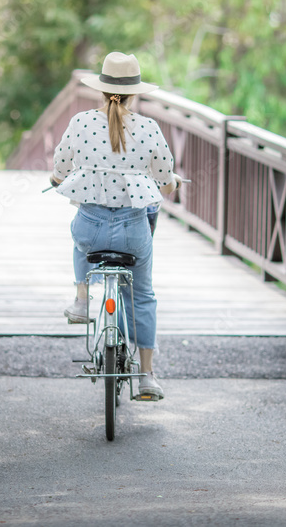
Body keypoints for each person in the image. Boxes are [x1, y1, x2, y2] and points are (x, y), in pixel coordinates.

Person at [49, 51, 181, 399]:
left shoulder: (80, 122)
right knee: (142, 296)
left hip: (91, 229)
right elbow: (165, 179)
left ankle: (81, 299)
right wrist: (171, 184)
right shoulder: (149, 128)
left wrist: (57, 176)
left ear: (101, 88)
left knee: (79, 236)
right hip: (133, 233)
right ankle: (147, 377)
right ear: (135, 93)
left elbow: (61, 164)